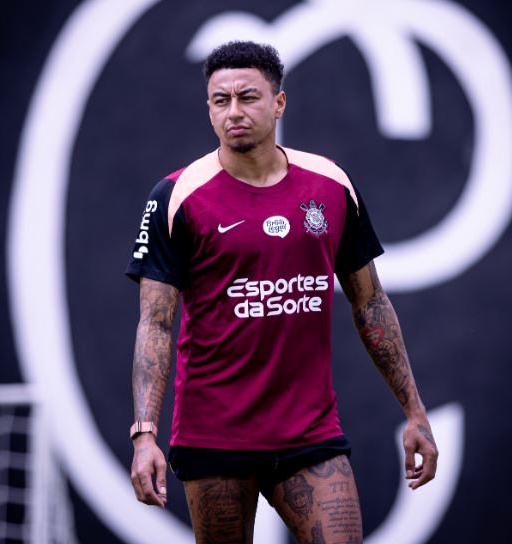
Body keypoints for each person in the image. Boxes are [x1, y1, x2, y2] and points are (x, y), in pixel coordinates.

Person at [126, 40, 438, 544]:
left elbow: (370, 303)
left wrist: (414, 411)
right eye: (220, 100)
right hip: (215, 436)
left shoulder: (330, 185)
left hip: (310, 433)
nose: (234, 112)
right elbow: (156, 323)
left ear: (279, 103)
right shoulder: (176, 196)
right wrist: (144, 435)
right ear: (209, 109)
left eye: (248, 97)